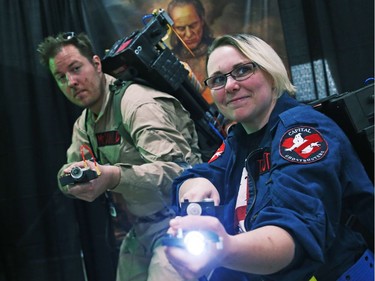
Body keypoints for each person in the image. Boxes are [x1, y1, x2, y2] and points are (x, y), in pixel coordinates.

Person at [164, 34, 374, 281]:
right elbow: (208, 172)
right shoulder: (242, 135)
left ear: (271, 73)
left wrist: (224, 249)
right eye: (218, 79)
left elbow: (293, 233)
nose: (230, 85)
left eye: (242, 70)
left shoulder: (301, 130)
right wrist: (196, 185)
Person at [37, 32, 202, 281]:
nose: (71, 81)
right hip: (141, 228)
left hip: (181, 222)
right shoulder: (86, 124)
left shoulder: (137, 104)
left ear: (95, 63)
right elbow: (70, 169)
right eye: (61, 77)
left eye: (75, 68)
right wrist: (68, 179)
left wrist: (113, 177)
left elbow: (179, 172)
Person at [167, 0, 214, 105]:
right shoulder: (169, 60)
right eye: (181, 28)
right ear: (173, 28)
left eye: (193, 25)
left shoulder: (219, 49)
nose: (188, 34)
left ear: (202, 20)